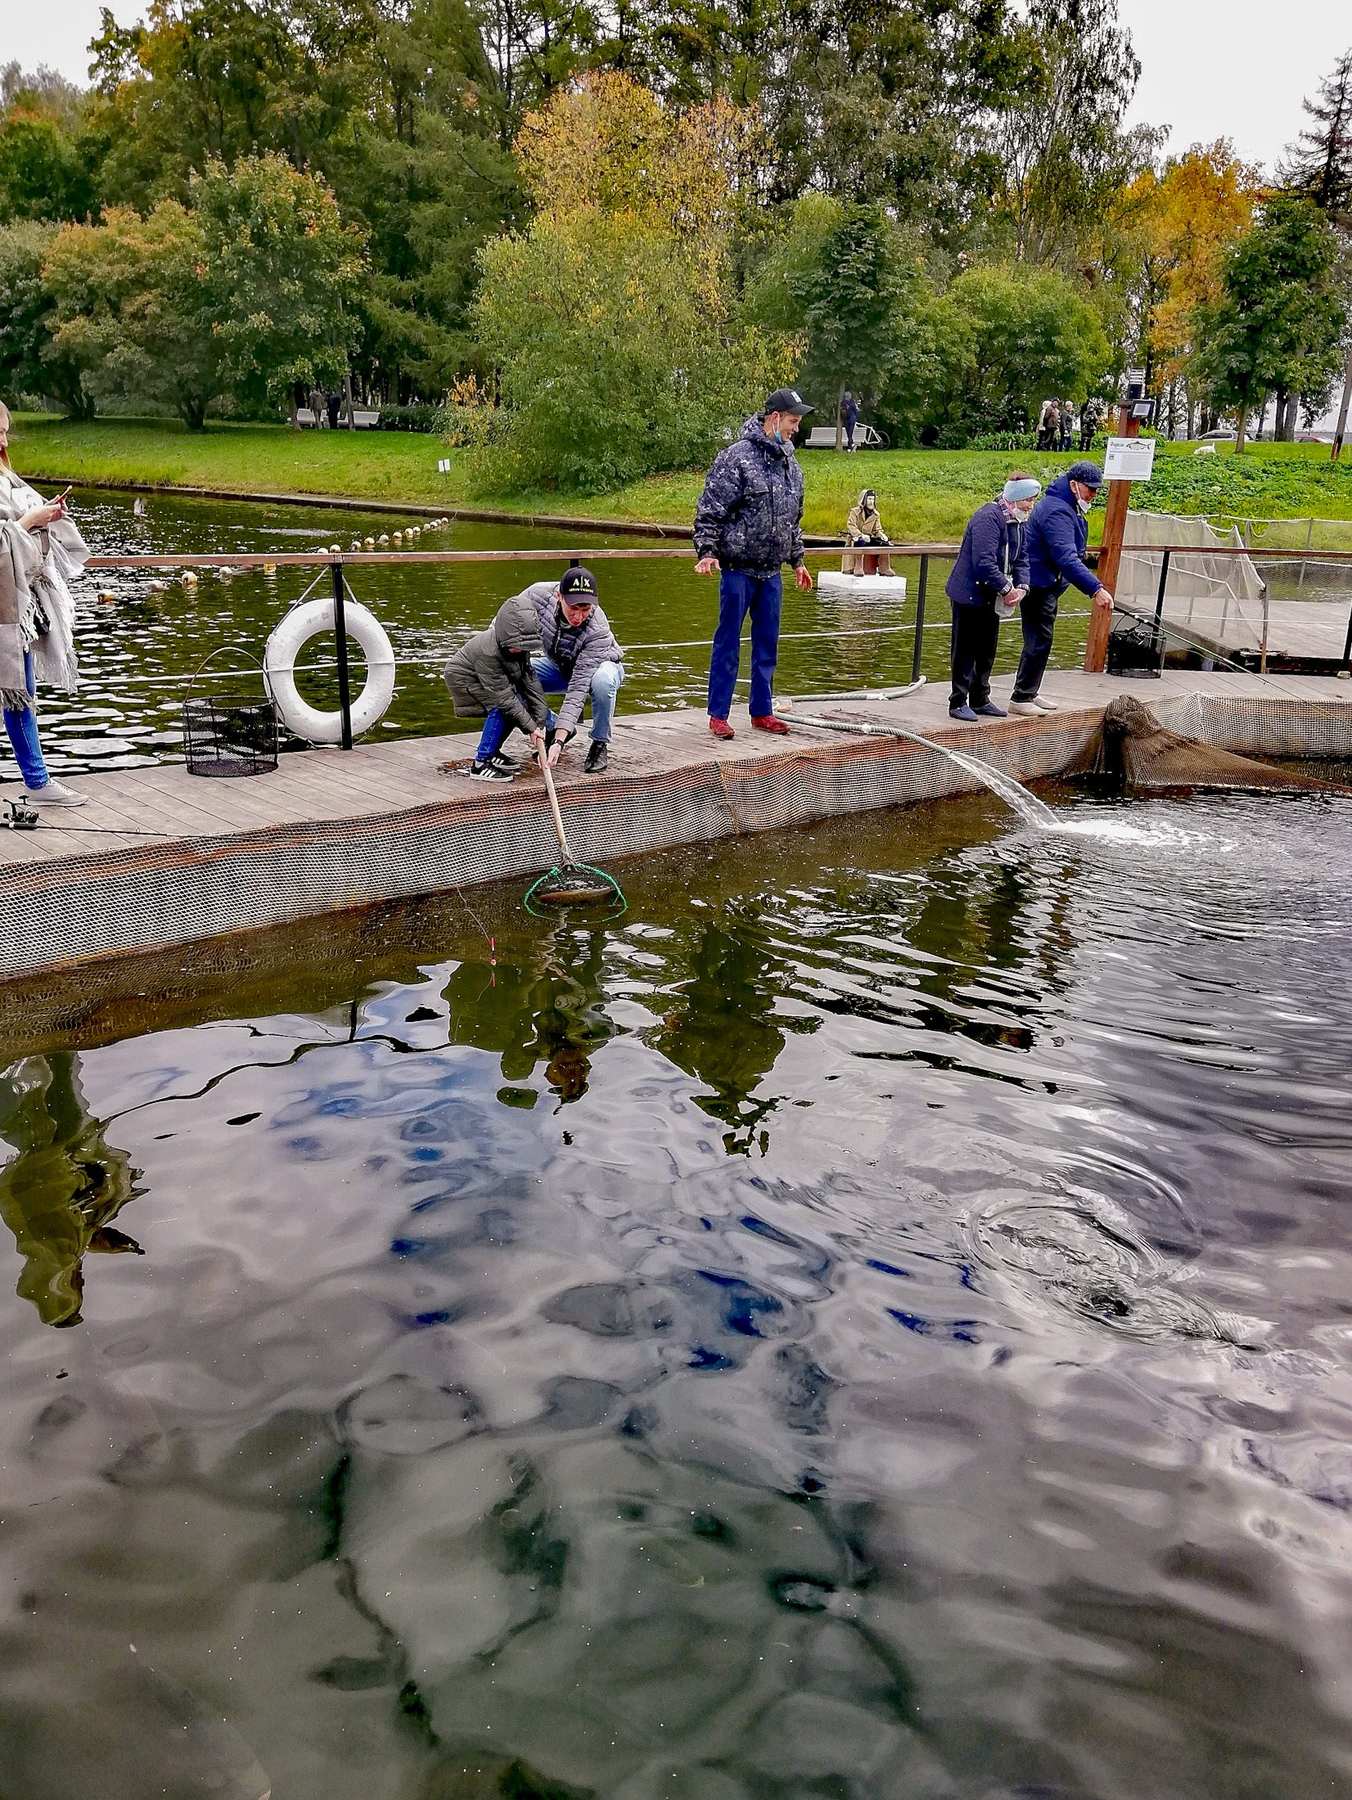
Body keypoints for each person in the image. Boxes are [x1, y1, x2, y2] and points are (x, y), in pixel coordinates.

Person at [694, 386, 815, 740]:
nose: (796, 428)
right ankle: (718, 714)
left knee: (767, 643)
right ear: (774, 418)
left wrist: (797, 560)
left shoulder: (791, 465)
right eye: (793, 421)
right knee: (727, 642)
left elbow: (793, 519)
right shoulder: (735, 458)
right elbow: (710, 509)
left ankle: (762, 710)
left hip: (771, 572)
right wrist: (707, 551)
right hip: (738, 570)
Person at [0, 402, 88, 806]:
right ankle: (38, 782)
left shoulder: (8, 477)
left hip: (17, 607)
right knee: (18, 691)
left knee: (20, 692)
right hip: (7, 605)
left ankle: (37, 782)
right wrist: (29, 523)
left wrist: (45, 515)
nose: (2, 439)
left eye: (4, 431)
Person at [1010, 461, 1113, 715]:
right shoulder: (1058, 510)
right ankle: (1021, 697)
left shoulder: (1067, 505)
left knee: (1041, 640)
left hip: (1046, 582)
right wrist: (1095, 589)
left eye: (1097, 490)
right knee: (1038, 640)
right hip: (1037, 584)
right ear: (1074, 485)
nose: (1094, 494)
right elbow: (1066, 557)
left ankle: (1029, 692)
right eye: (1091, 489)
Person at [944, 475, 1040, 721]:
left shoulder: (1019, 522)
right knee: (965, 648)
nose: (1031, 505)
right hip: (970, 593)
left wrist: (1022, 587)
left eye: (1033, 500)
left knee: (987, 648)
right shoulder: (989, 517)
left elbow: (1022, 558)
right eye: (1029, 499)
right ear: (1016, 497)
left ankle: (979, 698)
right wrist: (1007, 589)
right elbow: (983, 561)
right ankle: (957, 701)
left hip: (993, 595)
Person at [443, 588, 549, 781]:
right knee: (502, 708)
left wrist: (539, 722)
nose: (522, 650)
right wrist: (531, 728)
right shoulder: (489, 652)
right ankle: (481, 763)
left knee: (518, 704)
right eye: (518, 646)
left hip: (488, 681)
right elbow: (504, 699)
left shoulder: (519, 646)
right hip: (465, 679)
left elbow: (530, 681)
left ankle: (493, 753)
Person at [527, 565, 624, 774]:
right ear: (558, 596)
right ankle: (552, 725)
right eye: (573, 608)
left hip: (601, 666)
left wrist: (558, 744)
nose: (579, 617)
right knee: (514, 675)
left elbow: (577, 692)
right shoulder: (536, 596)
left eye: (585, 609)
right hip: (559, 666)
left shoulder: (598, 628)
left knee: (602, 682)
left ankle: (599, 743)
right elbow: (504, 625)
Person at [842, 489, 894, 576]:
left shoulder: (876, 514)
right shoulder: (855, 512)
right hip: (856, 538)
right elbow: (851, 525)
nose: (871, 502)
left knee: (885, 543)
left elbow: (877, 529)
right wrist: (860, 535)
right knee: (860, 542)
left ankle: (885, 568)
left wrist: (881, 534)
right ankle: (858, 567)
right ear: (864, 500)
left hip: (869, 538)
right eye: (869, 499)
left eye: (873, 499)